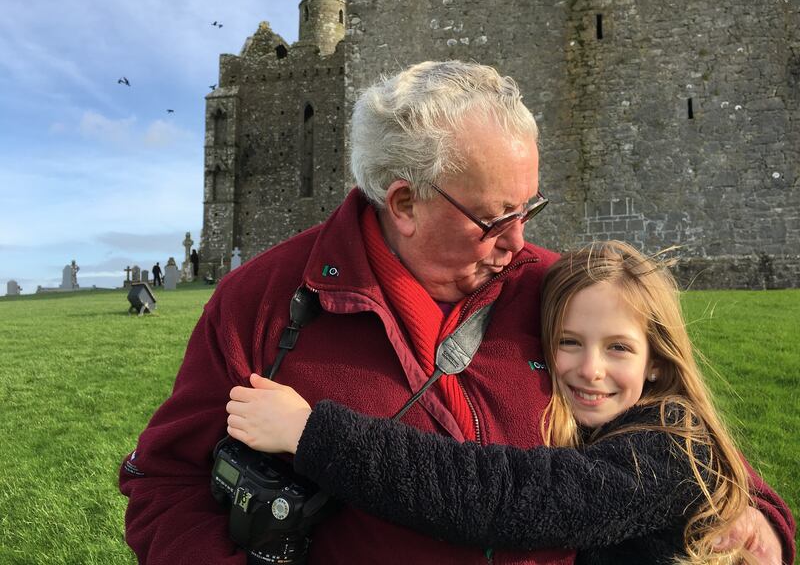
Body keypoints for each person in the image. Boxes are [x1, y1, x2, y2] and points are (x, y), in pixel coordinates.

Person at [119, 61, 793, 565]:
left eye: (531, 209)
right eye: (497, 217)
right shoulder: (263, 301)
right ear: (405, 203)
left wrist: (757, 513)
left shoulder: (561, 291)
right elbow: (165, 482)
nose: (521, 242)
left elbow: (674, 420)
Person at [227, 240, 797, 564]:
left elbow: (500, 496)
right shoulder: (630, 430)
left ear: (658, 363)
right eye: (568, 343)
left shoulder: (667, 448)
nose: (590, 370)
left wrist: (311, 434)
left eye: (619, 348)